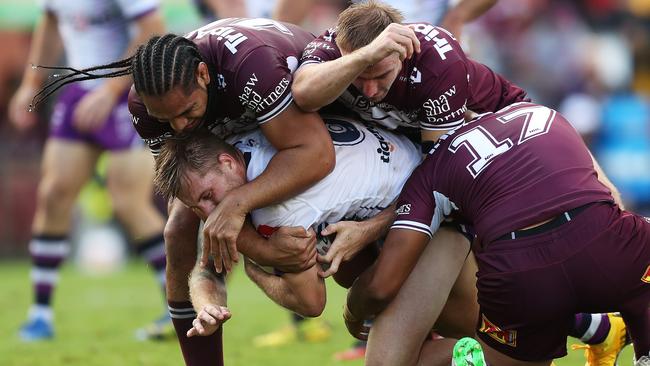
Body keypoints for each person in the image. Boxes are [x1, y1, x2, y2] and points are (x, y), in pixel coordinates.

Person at [343, 102, 650, 366]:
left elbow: (381, 285)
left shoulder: (432, 168)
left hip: (519, 273)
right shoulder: (539, 112)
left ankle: (471, 357)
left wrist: (353, 311)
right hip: (598, 235)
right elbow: (608, 193)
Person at [152, 115, 479, 345]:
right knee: (348, 269)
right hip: (419, 166)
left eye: (208, 197)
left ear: (228, 162)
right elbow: (206, 268)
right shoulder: (246, 138)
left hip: (445, 209)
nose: (208, 214)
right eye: (196, 206)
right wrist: (206, 306)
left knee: (455, 334)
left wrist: (256, 272)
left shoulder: (277, 207)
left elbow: (311, 303)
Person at [8, 0, 168, 342]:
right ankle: (40, 315)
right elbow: (50, 22)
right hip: (78, 90)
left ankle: (179, 308)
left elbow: (153, 31)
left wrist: (110, 89)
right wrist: (31, 82)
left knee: (129, 203)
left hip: (128, 95)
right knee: (53, 194)